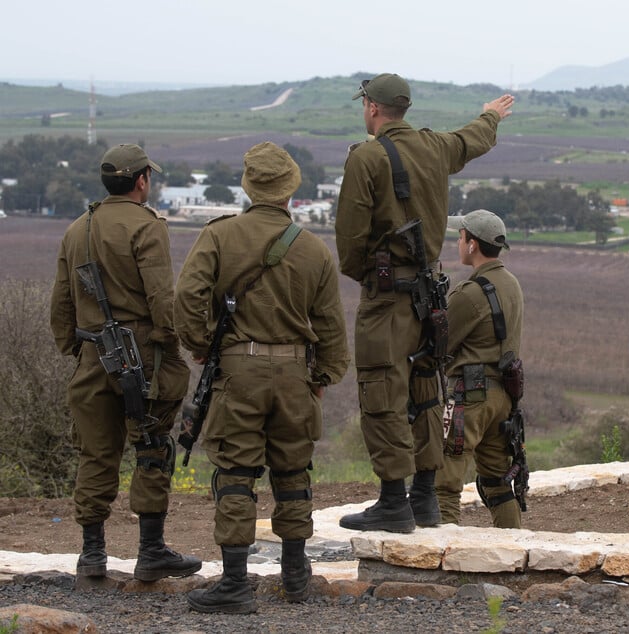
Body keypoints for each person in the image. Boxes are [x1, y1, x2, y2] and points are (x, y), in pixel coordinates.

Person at [335, 73, 514, 533]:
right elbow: (471, 139)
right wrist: (491, 115)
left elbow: (350, 241)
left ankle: (393, 500)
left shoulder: (367, 157)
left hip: (389, 299)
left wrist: (370, 280)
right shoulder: (434, 147)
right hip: (429, 296)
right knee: (425, 392)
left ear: (372, 108)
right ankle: (424, 498)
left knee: (382, 391)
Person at [174, 142, 349, 613]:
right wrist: (322, 376)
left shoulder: (217, 237)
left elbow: (187, 300)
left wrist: (203, 347)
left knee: (234, 473)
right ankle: (295, 575)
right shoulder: (314, 249)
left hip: (238, 371)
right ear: (291, 191)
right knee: (293, 472)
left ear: (248, 187)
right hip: (295, 373)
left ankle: (234, 583)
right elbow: (331, 326)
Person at [49, 144, 202, 582]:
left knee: (95, 454)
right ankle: (151, 551)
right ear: (141, 181)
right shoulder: (147, 226)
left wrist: (77, 351)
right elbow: (160, 299)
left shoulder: (77, 228)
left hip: (94, 355)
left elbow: (61, 304)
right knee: (152, 450)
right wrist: (176, 344)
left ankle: (91, 554)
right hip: (142, 360)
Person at [435, 210, 524, 528]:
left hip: (469, 397)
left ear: (472, 245)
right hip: (504, 397)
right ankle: (513, 551)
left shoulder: (470, 292)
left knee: (444, 480)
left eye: (460, 237)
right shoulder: (511, 284)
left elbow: (440, 346)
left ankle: (441, 554)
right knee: (498, 484)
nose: (458, 243)